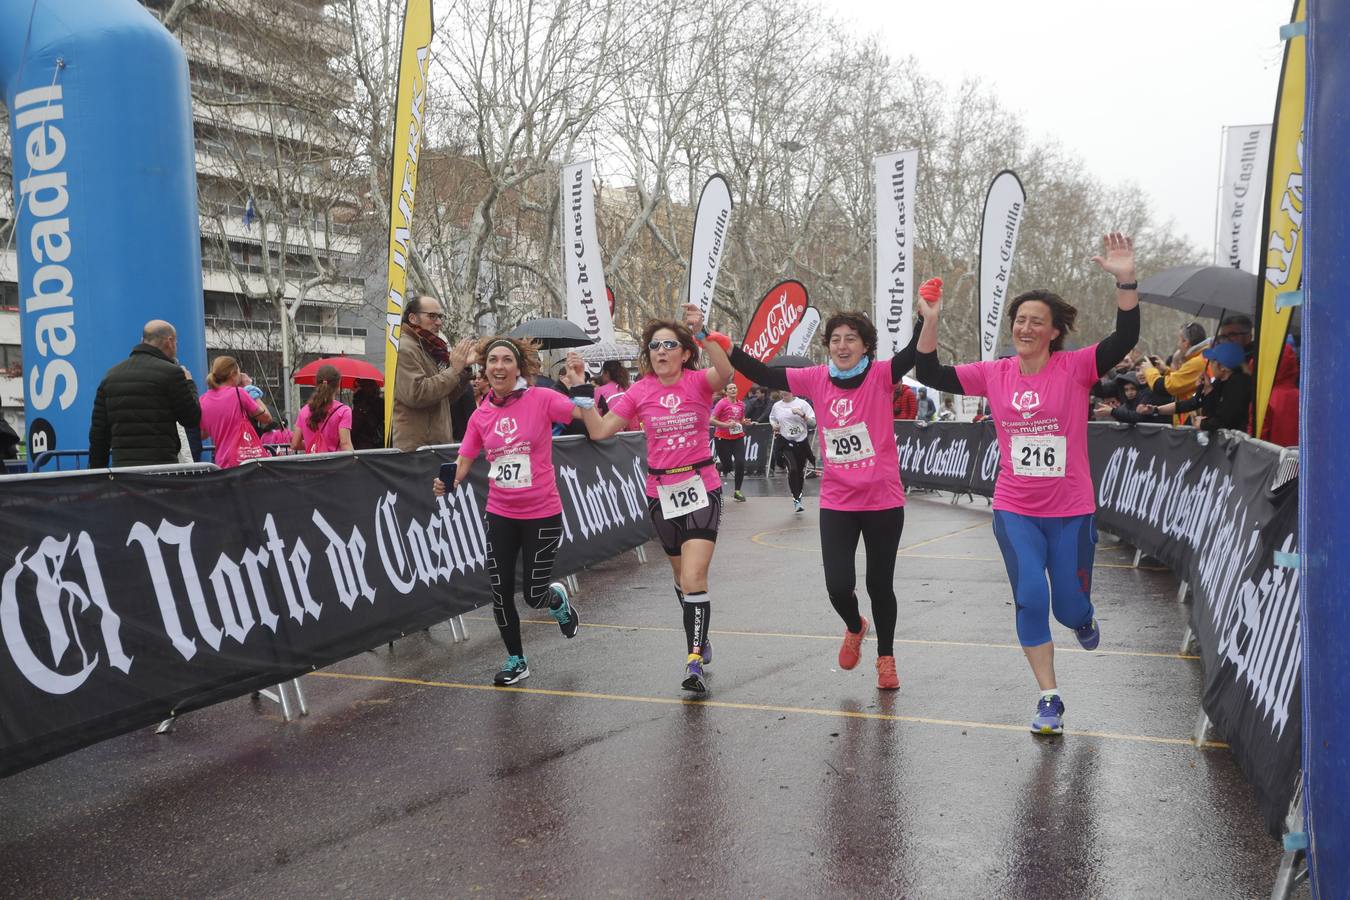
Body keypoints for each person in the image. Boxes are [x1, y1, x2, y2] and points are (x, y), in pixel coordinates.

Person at [915, 232, 1140, 735]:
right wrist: (929, 320)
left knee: (1067, 604)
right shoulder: (995, 372)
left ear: (1055, 332)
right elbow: (930, 371)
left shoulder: (1076, 367)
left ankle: (1083, 618)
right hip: (1015, 506)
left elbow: (1123, 341)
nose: (1026, 327)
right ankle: (1049, 697)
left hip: (1071, 508)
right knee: (1030, 600)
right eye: (1020, 320)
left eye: (1037, 321)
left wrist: (1126, 279)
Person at [694, 303, 924, 692]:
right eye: (835, 339)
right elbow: (764, 373)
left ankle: (886, 658)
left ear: (867, 345)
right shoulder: (817, 378)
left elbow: (914, 353)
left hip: (883, 499)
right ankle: (855, 626)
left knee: (879, 586)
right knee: (838, 585)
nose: (842, 345)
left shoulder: (882, 375)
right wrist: (726, 346)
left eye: (851, 338)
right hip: (838, 500)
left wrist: (925, 318)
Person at [563, 311, 734, 694]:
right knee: (680, 578)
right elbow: (601, 432)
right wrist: (581, 390)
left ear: (685, 353)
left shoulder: (699, 382)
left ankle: (693, 661)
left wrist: (701, 331)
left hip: (701, 485)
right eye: (654, 345)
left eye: (669, 344)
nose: (660, 351)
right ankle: (699, 635)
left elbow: (726, 373)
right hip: (660, 493)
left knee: (694, 577)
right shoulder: (640, 391)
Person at [436, 336, 587, 685]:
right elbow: (465, 457)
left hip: (542, 512)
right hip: (501, 512)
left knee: (534, 595)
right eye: (493, 361)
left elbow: (583, 416)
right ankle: (516, 660)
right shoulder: (481, 414)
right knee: (500, 590)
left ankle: (556, 599)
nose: (499, 366)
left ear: (519, 367)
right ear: (485, 368)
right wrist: (449, 481)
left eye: (506, 360)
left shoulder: (542, 399)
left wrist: (582, 387)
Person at [89, 320, 203, 468]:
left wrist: (97, 473)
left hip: (123, 472)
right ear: (169, 342)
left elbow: (99, 434)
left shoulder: (110, 376)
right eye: (176, 343)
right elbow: (191, 418)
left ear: (142, 340)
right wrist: (189, 383)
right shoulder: (172, 373)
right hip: (161, 469)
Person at [391, 295, 476, 451]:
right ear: (413, 318)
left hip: (434, 447)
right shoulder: (404, 348)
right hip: (417, 451)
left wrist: (462, 370)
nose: (439, 322)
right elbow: (417, 394)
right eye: (432, 316)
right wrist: (454, 370)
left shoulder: (429, 347)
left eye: (440, 317)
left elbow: (443, 398)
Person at [1143, 340, 1253, 433]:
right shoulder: (1219, 382)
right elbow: (1194, 402)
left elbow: (1224, 419)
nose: (1210, 365)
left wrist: (1203, 424)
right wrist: (1156, 410)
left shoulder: (1238, 385)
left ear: (1223, 367)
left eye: (1212, 362)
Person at [198, 355, 274, 468]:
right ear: (232, 374)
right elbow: (267, 418)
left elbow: (203, 435)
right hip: (243, 461)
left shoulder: (203, 400)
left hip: (222, 462)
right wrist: (250, 387)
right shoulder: (238, 393)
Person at [1141, 322, 1207, 425]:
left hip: (1192, 420)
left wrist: (1149, 370)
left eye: (1179, 340)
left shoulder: (1197, 362)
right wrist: (1166, 370)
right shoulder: (1200, 358)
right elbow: (1184, 381)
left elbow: (1164, 387)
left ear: (1185, 342)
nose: (1178, 344)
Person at [768, 389, 815, 512]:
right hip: (785, 443)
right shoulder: (777, 406)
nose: (784, 393)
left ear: (793, 391)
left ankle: (798, 498)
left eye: (787, 390)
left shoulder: (803, 404)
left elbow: (813, 423)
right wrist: (774, 425)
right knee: (792, 469)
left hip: (802, 443)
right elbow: (772, 418)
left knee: (799, 473)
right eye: (782, 390)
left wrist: (802, 415)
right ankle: (796, 500)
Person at [290, 364, 353, 453]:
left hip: (311, 464)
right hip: (334, 464)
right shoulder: (343, 411)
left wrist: (313, 445)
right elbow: (345, 444)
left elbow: (295, 444)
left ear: (316, 383)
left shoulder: (304, 411)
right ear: (338, 384)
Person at [711, 381, 751, 502]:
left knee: (740, 463)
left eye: (735, 388)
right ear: (726, 391)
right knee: (727, 466)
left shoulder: (741, 404)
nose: (733, 390)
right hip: (722, 439)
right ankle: (718, 468)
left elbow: (741, 419)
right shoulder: (722, 403)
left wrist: (745, 422)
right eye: (731, 388)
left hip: (738, 437)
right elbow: (711, 420)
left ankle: (737, 491)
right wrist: (725, 425)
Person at [1262, 343, 1300, 446]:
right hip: (1299, 459)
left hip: (1273, 459)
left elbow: (1259, 439)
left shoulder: (1264, 398)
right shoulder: (1303, 398)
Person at [349, 378, 385, 450]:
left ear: (362, 388)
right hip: (380, 445)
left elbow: (354, 429)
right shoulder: (381, 403)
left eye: (355, 387)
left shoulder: (360, 406)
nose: (352, 390)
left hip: (362, 448)